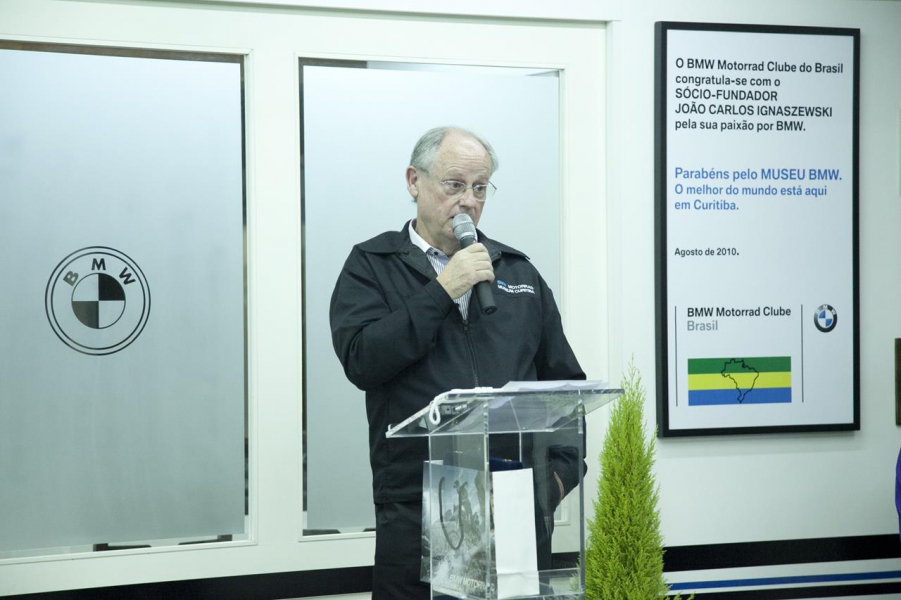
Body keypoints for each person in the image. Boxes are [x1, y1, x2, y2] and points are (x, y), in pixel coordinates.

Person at [329, 126, 585, 599]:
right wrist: (443, 289)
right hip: (419, 508)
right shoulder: (371, 265)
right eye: (454, 185)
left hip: (515, 508)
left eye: (480, 187)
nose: (468, 200)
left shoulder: (519, 273)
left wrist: (554, 480)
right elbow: (362, 360)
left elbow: (565, 392)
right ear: (414, 182)